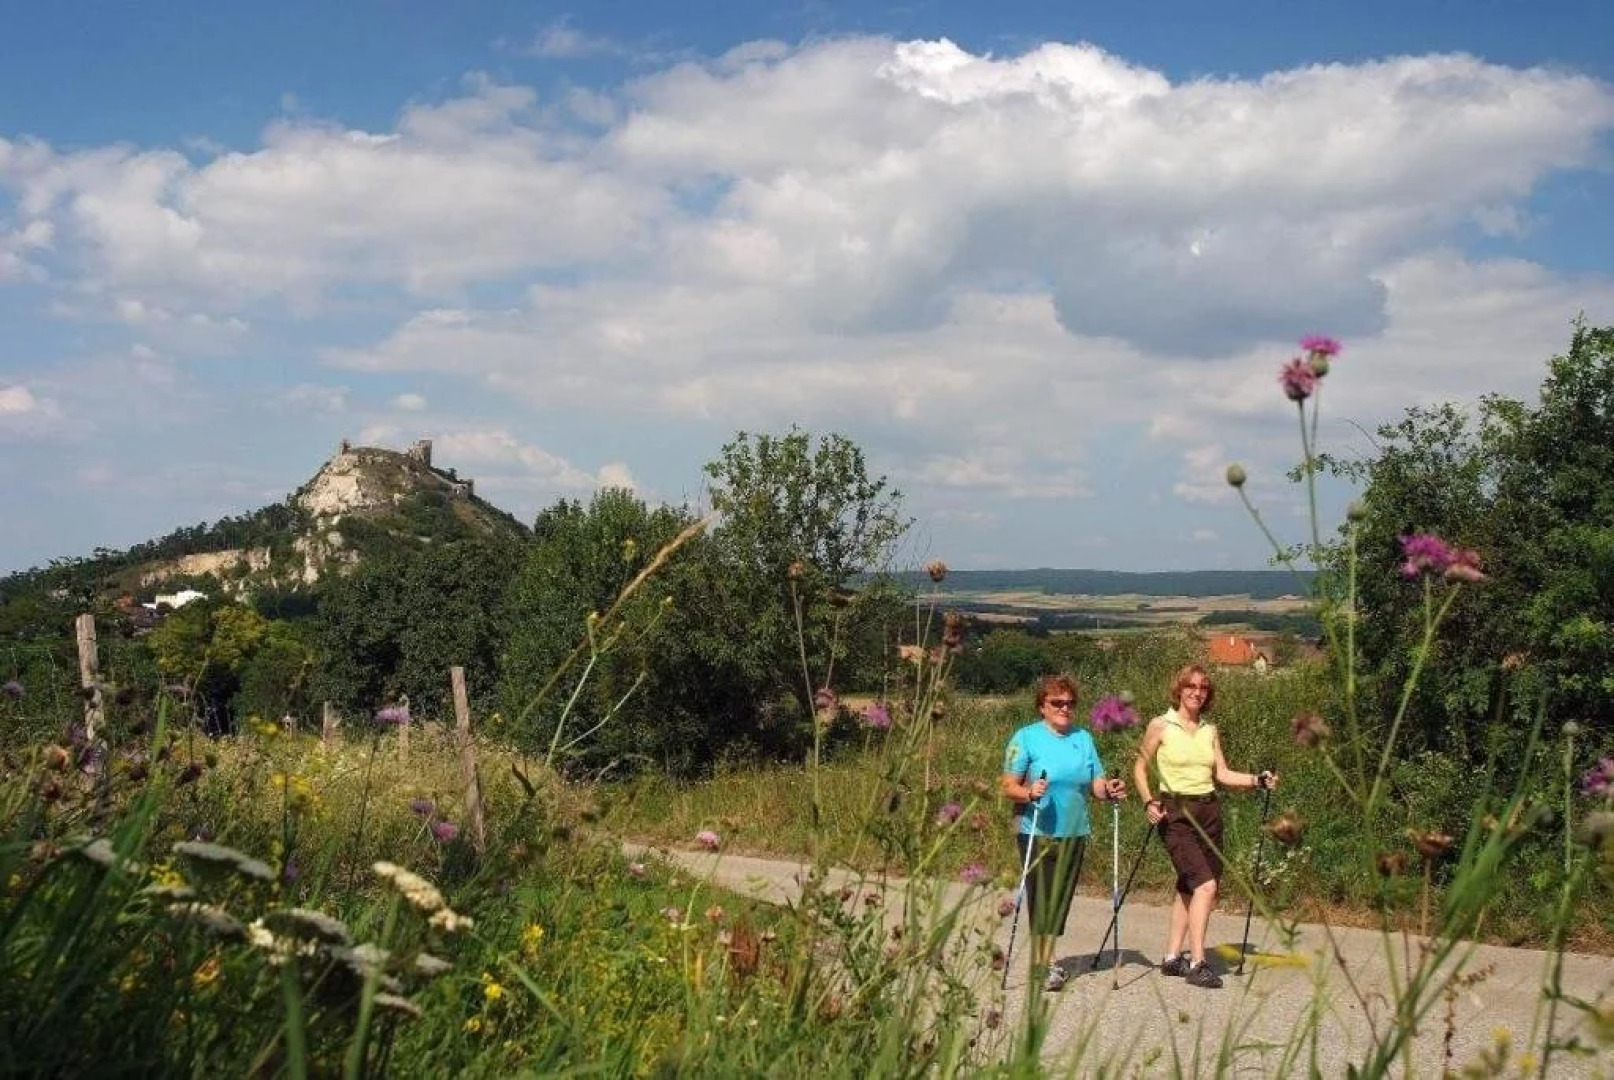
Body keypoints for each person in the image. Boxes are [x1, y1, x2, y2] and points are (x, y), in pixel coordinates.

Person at [1132, 664, 1276, 989]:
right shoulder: (1161, 725)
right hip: (1176, 812)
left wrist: (1257, 780)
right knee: (1205, 887)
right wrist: (1147, 801)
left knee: (1190, 886)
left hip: (1209, 810)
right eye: (1191, 686)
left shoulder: (1210, 729)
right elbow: (1140, 768)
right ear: (1179, 689)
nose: (1197, 692)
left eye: (1203, 688)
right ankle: (1198, 962)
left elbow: (1221, 774)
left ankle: (1171, 958)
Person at [1001, 673, 1127, 992]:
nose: (1064, 708)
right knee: (1042, 895)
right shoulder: (1025, 738)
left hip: (1075, 830)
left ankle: (1046, 960)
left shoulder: (1083, 738)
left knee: (1059, 899)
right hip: (1036, 829)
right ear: (1042, 706)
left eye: (1070, 703)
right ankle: (1043, 965)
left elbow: (1095, 783)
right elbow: (1007, 786)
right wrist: (1030, 793)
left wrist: (1108, 789)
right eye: (1057, 703)